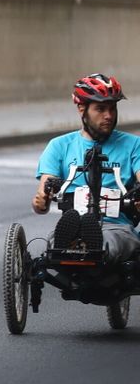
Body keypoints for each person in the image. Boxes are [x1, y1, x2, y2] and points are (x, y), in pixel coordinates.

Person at [32, 74, 140, 268]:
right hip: (73, 223)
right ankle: (78, 239)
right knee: (58, 241)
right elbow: (45, 189)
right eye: (100, 109)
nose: (109, 115)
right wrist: (42, 199)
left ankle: (89, 243)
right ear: (82, 109)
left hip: (117, 226)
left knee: (110, 241)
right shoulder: (59, 146)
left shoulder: (133, 145)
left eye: (112, 108)